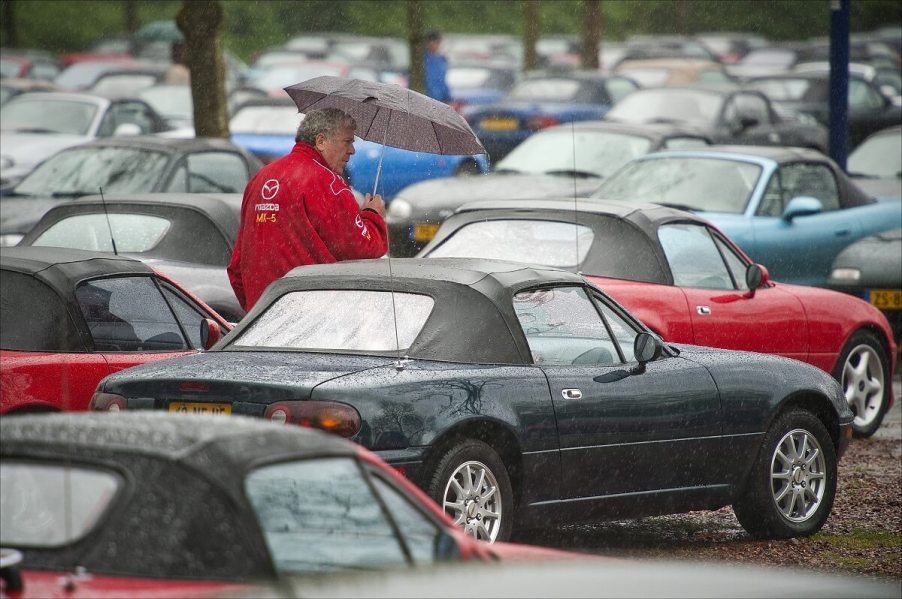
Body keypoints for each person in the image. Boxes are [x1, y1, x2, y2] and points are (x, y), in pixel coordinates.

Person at [227, 107, 388, 311]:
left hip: (261, 320)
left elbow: (237, 267)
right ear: (321, 141)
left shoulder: (261, 178)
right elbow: (360, 250)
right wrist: (373, 217)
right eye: (347, 142)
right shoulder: (328, 184)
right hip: (310, 318)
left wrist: (257, 310)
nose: (352, 151)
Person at [424, 31, 451, 103]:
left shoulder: (442, 60)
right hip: (426, 99)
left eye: (438, 42)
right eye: (434, 42)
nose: (436, 45)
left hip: (440, 100)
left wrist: (448, 97)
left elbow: (442, 81)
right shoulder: (423, 60)